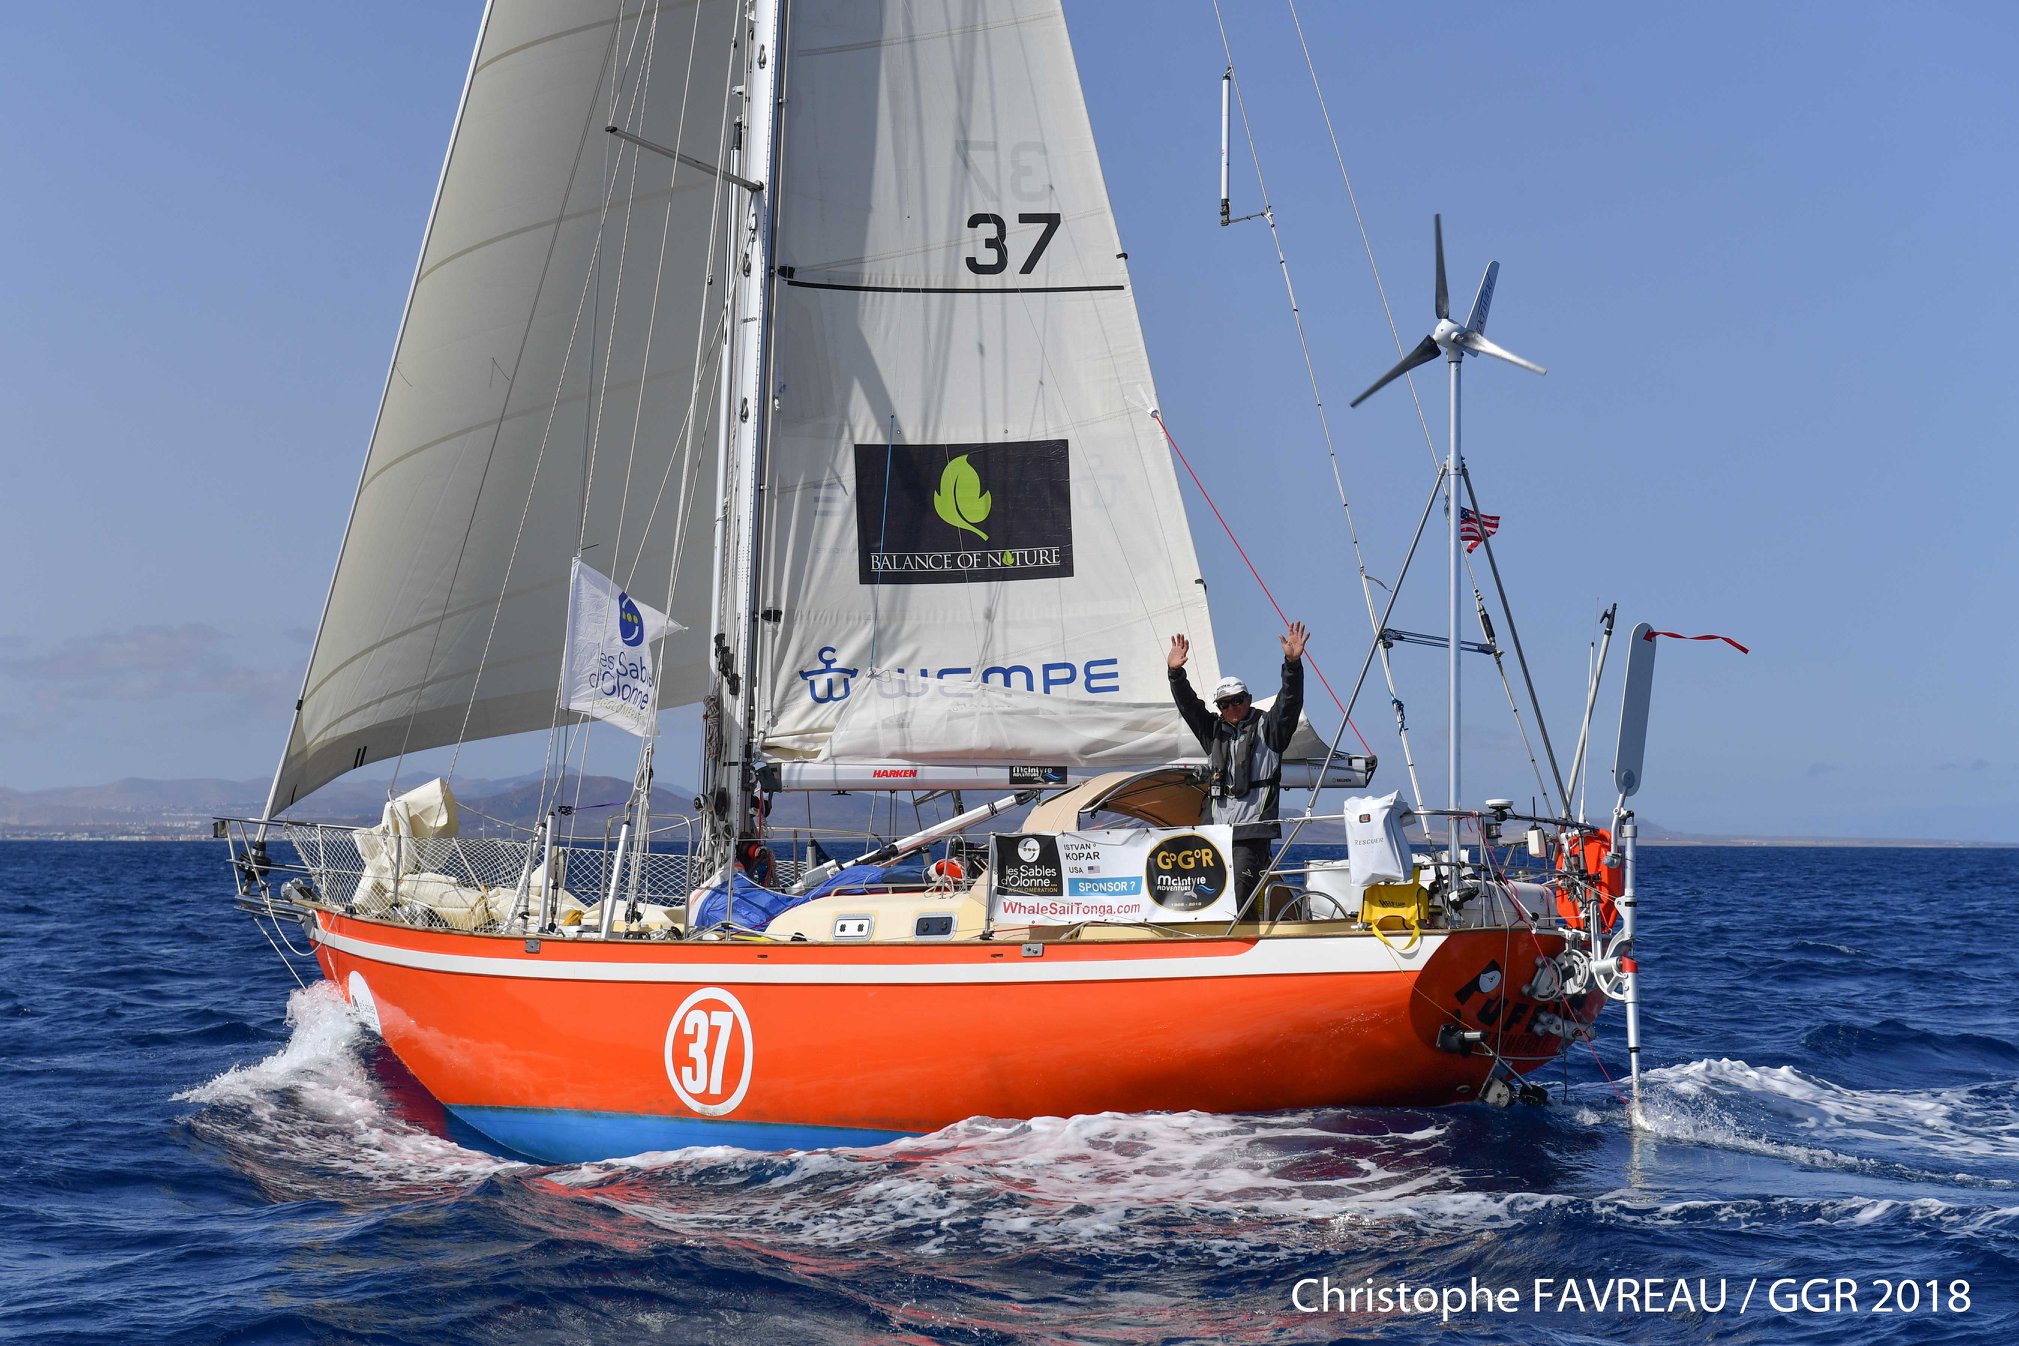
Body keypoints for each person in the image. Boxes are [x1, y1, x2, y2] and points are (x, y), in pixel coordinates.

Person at [1166, 622, 1308, 917]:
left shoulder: (1270, 729)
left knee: (1239, 895)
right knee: (1212, 898)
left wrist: (1292, 666)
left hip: (1251, 834)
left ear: (1249, 699)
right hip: (1215, 834)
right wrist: (1176, 674)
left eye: (1237, 701)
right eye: (1224, 704)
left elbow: (1289, 703)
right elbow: (1189, 707)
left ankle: (1240, 939)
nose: (1232, 707)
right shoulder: (1212, 732)